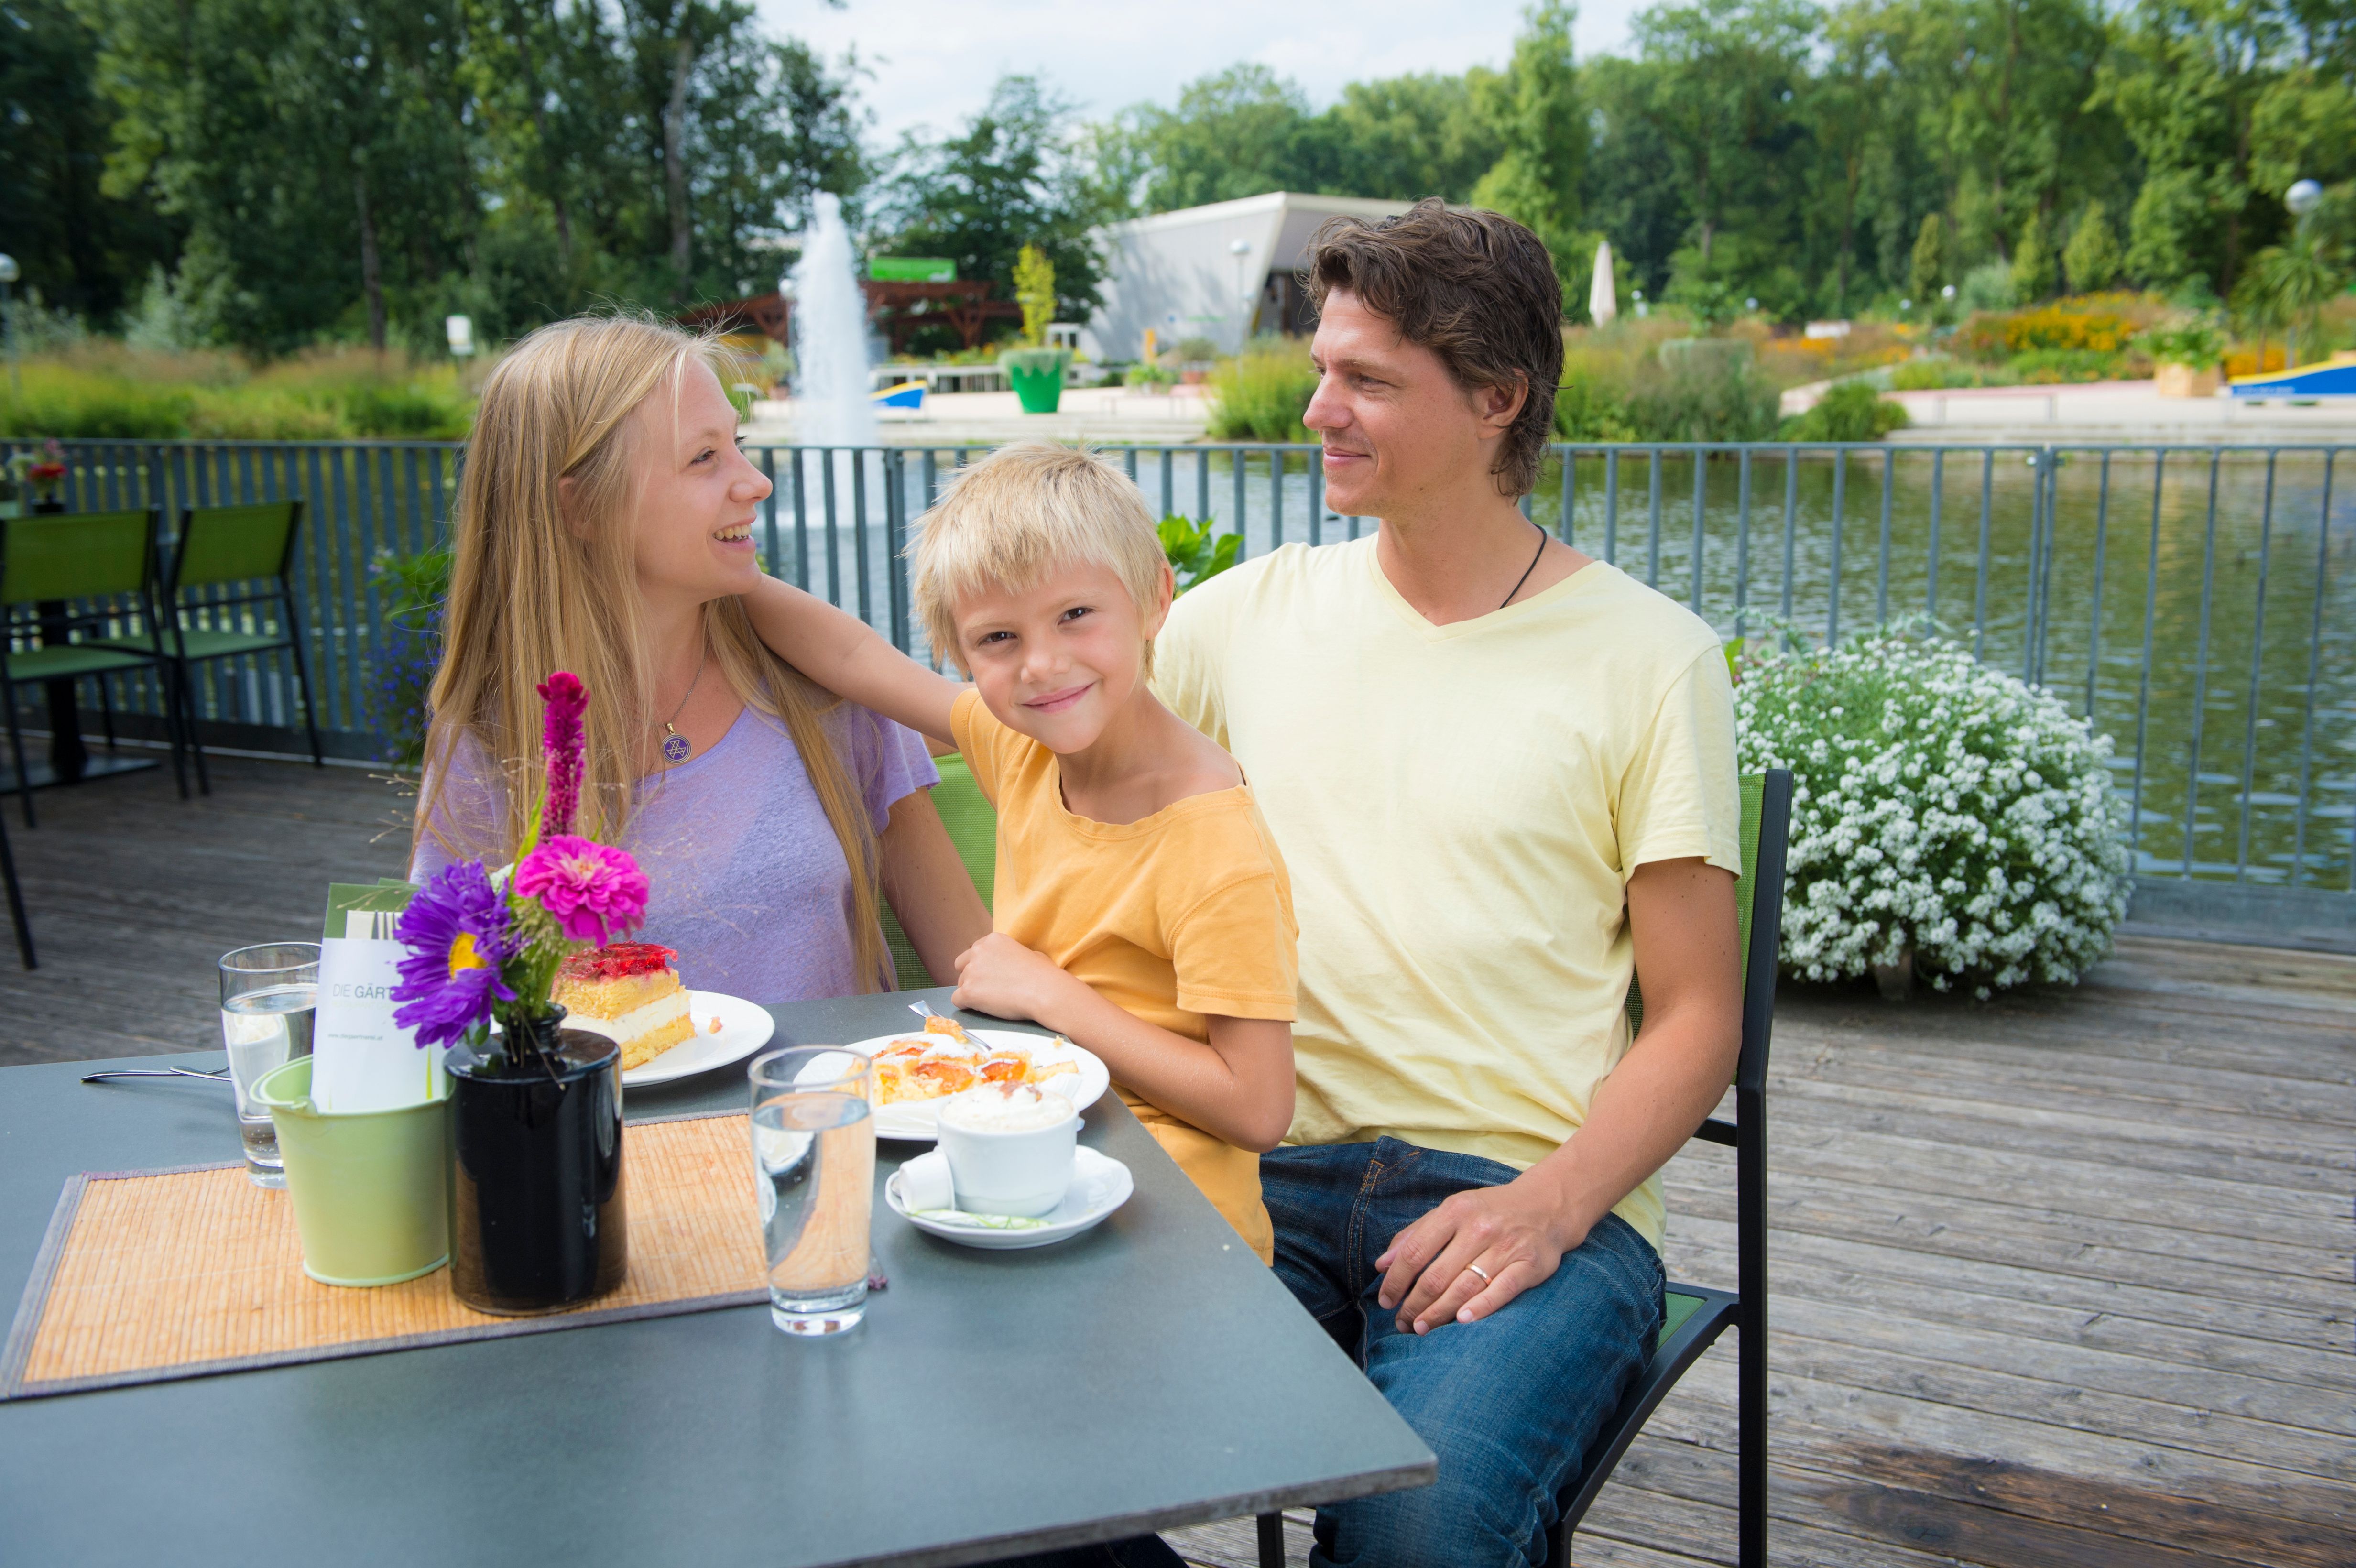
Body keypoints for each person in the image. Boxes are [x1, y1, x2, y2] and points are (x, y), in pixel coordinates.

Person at [1152, 201, 1743, 1566]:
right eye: (1322, 370)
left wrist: (1556, 1201)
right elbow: (1025, 731)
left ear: (1496, 399)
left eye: (1366, 380)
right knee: (986, 1444)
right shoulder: (1233, 623)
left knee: (1424, 1532)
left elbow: (1697, 1013)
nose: (1318, 410)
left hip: (1526, 1195)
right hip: (1256, 1173)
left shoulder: (1650, 659)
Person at [742, 442, 1298, 1262]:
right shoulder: (1023, 749)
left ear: (1156, 598)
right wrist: (725, 569)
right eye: (999, 637)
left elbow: (1258, 1107)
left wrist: (1053, 997)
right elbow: (855, 657)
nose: (1042, 665)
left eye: (1075, 615)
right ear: (960, 654)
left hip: (1173, 1234)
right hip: (1026, 1175)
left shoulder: (1210, 840)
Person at [412, 314, 990, 1002]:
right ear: (582, 507)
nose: (757, 483)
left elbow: (976, 966)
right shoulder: (489, 742)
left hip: (837, 1079)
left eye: (737, 445)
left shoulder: (818, 692)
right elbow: (446, 1001)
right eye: (704, 458)